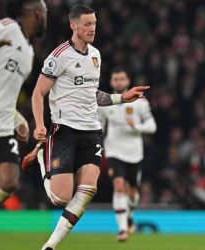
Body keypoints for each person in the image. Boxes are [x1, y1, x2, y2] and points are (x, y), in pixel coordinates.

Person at [31, 5, 149, 250]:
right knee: (60, 198)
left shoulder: (95, 55)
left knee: (88, 189)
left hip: (92, 130)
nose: (92, 28)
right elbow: (38, 92)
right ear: (73, 25)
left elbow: (90, 95)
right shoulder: (59, 56)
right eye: (87, 24)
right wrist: (40, 124)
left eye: (94, 23)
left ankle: (49, 246)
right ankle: (43, 160)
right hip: (64, 129)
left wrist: (121, 98)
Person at [0, 0, 47, 207]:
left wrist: (19, 120)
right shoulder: (7, 27)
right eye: (45, 12)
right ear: (37, 13)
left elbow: (5, 93)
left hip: (2, 123)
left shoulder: (29, 55)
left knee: (8, 181)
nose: (46, 18)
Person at [98, 68, 157, 241]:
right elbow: (99, 128)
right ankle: (122, 229)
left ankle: (129, 215)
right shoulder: (105, 104)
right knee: (118, 186)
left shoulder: (140, 102)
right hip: (114, 151)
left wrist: (136, 127)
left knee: (133, 194)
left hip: (135, 153)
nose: (118, 82)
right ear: (111, 82)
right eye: (115, 79)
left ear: (128, 81)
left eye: (122, 79)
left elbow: (152, 126)